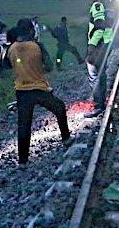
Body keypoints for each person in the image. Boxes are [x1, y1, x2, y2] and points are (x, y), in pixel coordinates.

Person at [7, 19, 72, 166]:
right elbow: (49, 66)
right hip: (39, 89)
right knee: (59, 108)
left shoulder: (12, 48)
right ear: (31, 31)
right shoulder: (38, 46)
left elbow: (6, 65)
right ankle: (66, 139)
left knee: (24, 125)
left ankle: (23, 161)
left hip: (21, 91)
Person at [85, 0, 114, 115]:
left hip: (99, 46)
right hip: (105, 44)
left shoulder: (97, 6)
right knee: (100, 75)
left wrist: (92, 45)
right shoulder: (107, 4)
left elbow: (99, 26)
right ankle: (101, 102)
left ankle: (98, 105)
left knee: (95, 75)